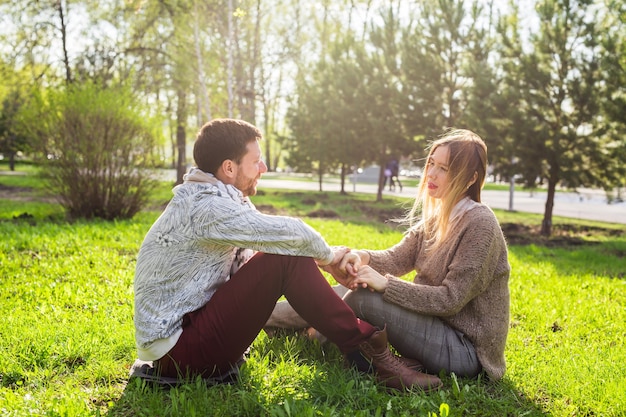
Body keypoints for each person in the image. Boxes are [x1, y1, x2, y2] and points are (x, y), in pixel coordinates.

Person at [132, 118, 442, 391]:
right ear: (229, 168)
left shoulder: (218, 196)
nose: (263, 168)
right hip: (180, 352)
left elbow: (271, 244)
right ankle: (372, 356)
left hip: (188, 334)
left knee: (286, 255)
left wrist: (327, 259)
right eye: (257, 162)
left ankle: (368, 352)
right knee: (286, 257)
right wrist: (331, 259)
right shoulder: (207, 206)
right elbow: (292, 235)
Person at [267, 129, 510, 381]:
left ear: (470, 179)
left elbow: (450, 300)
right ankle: (266, 317)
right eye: (431, 164)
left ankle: (316, 335)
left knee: (365, 297)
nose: (432, 174)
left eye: (444, 169)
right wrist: (361, 258)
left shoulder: (480, 224)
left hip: (466, 351)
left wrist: (385, 284)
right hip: (432, 326)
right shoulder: (439, 217)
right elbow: (396, 258)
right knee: (355, 284)